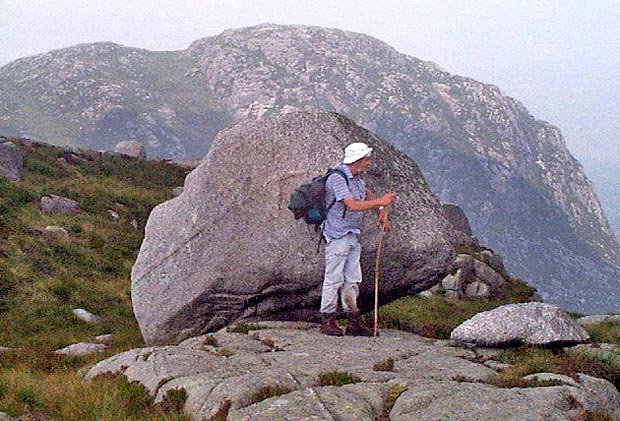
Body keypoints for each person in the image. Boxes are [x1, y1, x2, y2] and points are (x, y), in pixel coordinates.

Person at [319, 142, 396, 336]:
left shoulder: (356, 177)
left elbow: (364, 193)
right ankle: (327, 319)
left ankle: (353, 320)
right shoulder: (337, 178)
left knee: (352, 278)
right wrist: (380, 202)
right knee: (334, 278)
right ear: (357, 160)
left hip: (351, 233)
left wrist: (379, 210)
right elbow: (351, 205)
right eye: (366, 159)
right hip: (337, 235)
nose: (369, 162)